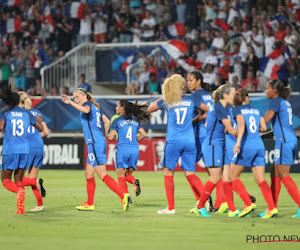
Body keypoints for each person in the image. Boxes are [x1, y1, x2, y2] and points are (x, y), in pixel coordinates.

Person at [61, 88, 130, 212]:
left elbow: (86, 110)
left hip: (94, 143)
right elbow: (107, 121)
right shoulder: (96, 108)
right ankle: (90, 203)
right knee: (88, 174)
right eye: (74, 98)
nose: (75, 100)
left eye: (76, 97)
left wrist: (70, 103)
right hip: (98, 141)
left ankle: (123, 195)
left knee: (102, 174)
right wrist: (104, 134)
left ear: (84, 96)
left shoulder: (87, 105)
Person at [147, 74, 203, 215]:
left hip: (173, 141)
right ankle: (205, 202)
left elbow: (149, 108)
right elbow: (207, 109)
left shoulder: (167, 101)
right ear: (182, 87)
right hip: (190, 141)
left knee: (168, 172)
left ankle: (171, 208)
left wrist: (164, 97)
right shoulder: (191, 100)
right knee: (190, 173)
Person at [230, 89, 278, 219]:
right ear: (247, 98)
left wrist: (237, 143)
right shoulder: (257, 110)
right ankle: (272, 208)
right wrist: (253, 130)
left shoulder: (237, 110)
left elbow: (241, 125)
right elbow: (263, 128)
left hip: (247, 146)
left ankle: (248, 203)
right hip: (259, 146)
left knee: (232, 176)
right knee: (261, 179)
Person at [196, 84, 237, 217]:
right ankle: (200, 206)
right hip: (213, 145)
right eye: (233, 93)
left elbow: (210, 124)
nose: (235, 96)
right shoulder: (220, 108)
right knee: (215, 177)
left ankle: (232, 209)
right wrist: (246, 134)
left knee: (227, 177)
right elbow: (230, 130)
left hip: (219, 144)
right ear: (225, 95)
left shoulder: (221, 108)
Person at [0, 87, 43, 214]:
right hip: (24, 149)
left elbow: (0, 127)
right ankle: (20, 208)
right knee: (18, 180)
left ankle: (19, 192)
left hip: (10, 149)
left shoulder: (5, 112)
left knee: (6, 180)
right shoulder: (27, 113)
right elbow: (40, 128)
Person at [264, 80, 300, 218]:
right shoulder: (284, 102)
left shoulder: (276, 101)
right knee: (274, 174)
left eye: (267, 88)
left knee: (284, 176)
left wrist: (250, 121)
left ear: (275, 91)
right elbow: (278, 127)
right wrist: (262, 136)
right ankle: (272, 208)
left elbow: (266, 120)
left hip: (283, 142)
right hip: (288, 139)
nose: (265, 91)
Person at [108, 99, 150, 200]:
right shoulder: (135, 121)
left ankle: (125, 197)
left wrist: (113, 137)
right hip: (134, 150)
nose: (116, 108)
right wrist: (134, 141)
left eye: (117, 106)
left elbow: (110, 137)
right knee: (127, 174)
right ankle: (134, 181)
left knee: (120, 176)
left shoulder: (117, 120)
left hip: (122, 150)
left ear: (122, 108)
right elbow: (144, 134)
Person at [186, 71, 214, 213]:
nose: (188, 83)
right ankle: (224, 201)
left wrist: (202, 118)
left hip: (200, 135)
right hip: (211, 134)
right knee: (214, 172)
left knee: (188, 170)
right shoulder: (208, 95)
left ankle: (202, 200)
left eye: (191, 80)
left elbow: (209, 109)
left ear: (199, 81)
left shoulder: (195, 96)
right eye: (187, 80)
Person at [18, 91, 50, 212]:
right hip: (39, 146)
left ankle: (21, 204)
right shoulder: (37, 113)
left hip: (27, 147)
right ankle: (40, 204)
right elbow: (46, 132)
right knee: (32, 176)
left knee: (17, 178)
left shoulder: (19, 114)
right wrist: (35, 137)